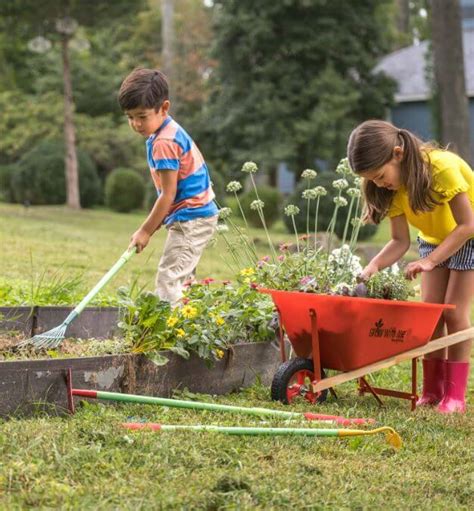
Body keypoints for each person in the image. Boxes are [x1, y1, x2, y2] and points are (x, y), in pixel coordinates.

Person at [347, 119, 474, 414]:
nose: (379, 184)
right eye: (372, 180)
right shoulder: (390, 189)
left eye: (380, 175)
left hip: (469, 236)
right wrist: (372, 268)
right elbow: (399, 241)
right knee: (430, 318)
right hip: (434, 239)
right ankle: (433, 390)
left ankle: (455, 396)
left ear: (398, 153)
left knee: (454, 315)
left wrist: (430, 260)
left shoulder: (440, 169)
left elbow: (467, 225)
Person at [118, 68, 218, 306]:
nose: (136, 124)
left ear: (164, 108)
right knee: (182, 283)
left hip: (191, 219)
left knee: (168, 280)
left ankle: (169, 334)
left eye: (142, 116)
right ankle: (188, 328)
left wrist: (145, 231)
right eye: (130, 117)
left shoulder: (164, 141)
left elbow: (168, 194)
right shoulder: (166, 130)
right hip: (194, 216)